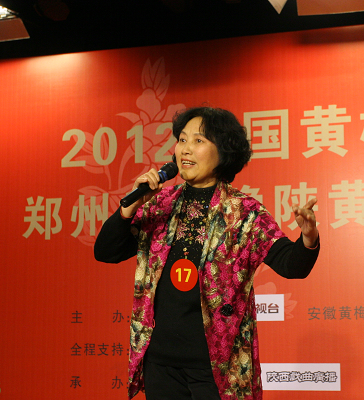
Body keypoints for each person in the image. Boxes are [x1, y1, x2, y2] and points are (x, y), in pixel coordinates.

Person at [94, 106, 319, 400]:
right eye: (182, 140)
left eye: (198, 141)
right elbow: (106, 251)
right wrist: (130, 208)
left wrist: (308, 237)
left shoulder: (244, 212)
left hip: (217, 369)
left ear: (223, 152)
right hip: (160, 364)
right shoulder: (161, 204)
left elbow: (293, 265)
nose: (186, 149)